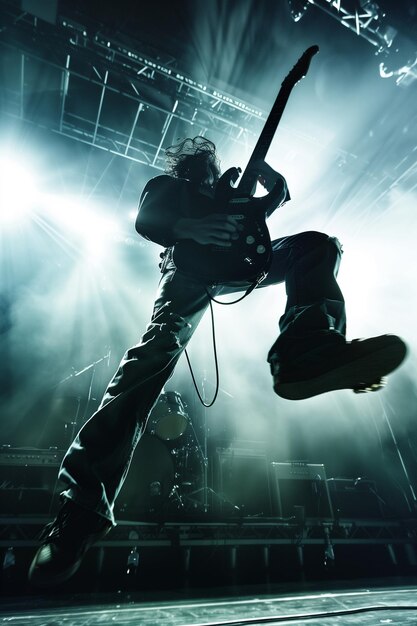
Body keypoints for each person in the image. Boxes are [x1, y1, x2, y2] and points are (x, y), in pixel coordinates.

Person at [28, 136, 406, 587]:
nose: (208, 173)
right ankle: (80, 511)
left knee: (318, 246)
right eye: (201, 168)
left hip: (232, 267)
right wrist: (191, 227)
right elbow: (148, 219)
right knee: (151, 359)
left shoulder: (228, 194)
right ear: (188, 167)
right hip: (187, 270)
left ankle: (308, 348)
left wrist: (272, 200)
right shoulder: (170, 186)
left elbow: (250, 229)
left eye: (211, 168)